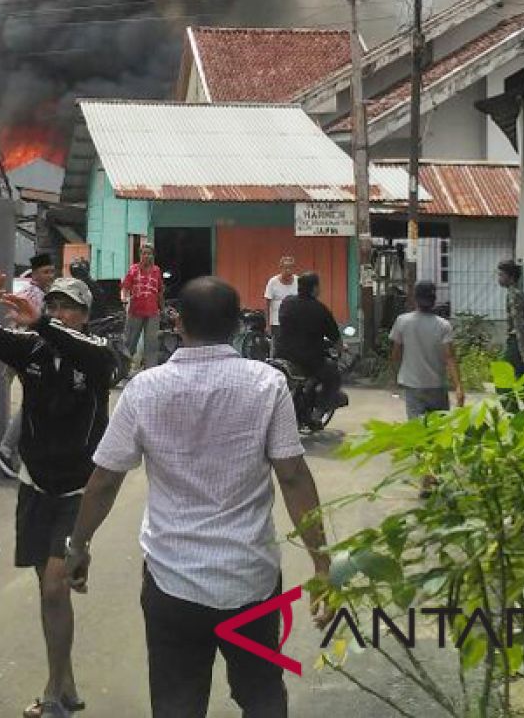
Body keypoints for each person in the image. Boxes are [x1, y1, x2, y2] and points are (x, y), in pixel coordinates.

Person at [63, 276, 333, 718]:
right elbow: (294, 479)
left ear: (177, 322)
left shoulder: (145, 389)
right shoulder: (267, 384)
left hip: (173, 581)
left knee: (177, 704)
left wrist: (79, 545)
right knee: (263, 695)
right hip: (252, 580)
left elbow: (106, 480)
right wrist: (321, 560)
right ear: (235, 325)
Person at [0, 268, 114, 718]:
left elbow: (106, 366)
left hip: (78, 491)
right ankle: (65, 681)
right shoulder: (31, 347)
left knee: (54, 587)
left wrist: (42, 323)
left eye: (68, 307)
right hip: (35, 485)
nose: (58, 313)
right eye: (53, 305)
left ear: (86, 316)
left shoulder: (97, 353)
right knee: (49, 591)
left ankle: (54, 692)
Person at [0, 252, 58, 479]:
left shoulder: (35, 292)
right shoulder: (33, 295)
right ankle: (5, 450)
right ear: (35, 274)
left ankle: (14, 451)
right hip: (26, 354)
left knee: (35, 400)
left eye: (52, 271)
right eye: (45, 272)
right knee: (34, 401)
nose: (50, 275)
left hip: (24, 353)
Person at [274, 271, 347, 421]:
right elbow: (335, 338)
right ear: (315, 288)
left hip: (281, 354)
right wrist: (341, 349)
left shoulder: (287, 302)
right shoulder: (320, 309)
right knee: (333, 375)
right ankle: (318, 412)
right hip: (308, 358)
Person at [389, 280, 466, 419]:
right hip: (437, 386)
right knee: (439, 429)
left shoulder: (402, 321)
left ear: (415, 298)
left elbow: (395, 354)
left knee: (417, 430)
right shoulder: (443, 325)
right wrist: (458, 387)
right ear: (434, 299)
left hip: (413, 386)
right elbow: (450, 357)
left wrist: (394, 378)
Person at [121, 243, 164, 370]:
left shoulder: (157, 271)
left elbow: (160, 291)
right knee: (129, 341)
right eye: (144, 253)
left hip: (153, 312)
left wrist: (163, 308)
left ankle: (150, 371)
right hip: (135, 311)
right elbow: (125, 287)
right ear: (140, 255)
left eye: (149, 253)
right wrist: (124, 299)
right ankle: (123, 370)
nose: (146, 256)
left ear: (153, 256)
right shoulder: (133, 269)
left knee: (152, 344)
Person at [497, 259, 524, 376]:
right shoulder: (519, 293)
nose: (499, 278)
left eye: (502, 275)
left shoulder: (514, 295)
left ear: (511, 277)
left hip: (520, 341)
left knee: (506, 375)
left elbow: (520, 324)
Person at [263, 255, 298, 348]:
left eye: (290, 267)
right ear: (280, 268)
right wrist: (268, 324)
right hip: (277, 322)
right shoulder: (273, 282)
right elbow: (267, 304)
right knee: (279, 347)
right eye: (286, 268)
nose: (288, 270)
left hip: (294, 321)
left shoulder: (298, 281)